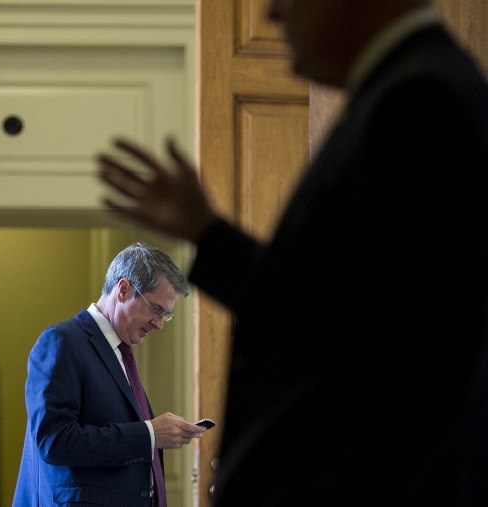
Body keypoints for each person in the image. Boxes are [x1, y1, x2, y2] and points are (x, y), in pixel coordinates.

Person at [97, 0, 488, 505]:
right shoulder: (405, 92)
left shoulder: (419, 103)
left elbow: (413, 362)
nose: (274, 15)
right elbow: (327, 306)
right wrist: (208, 233)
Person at [13, 242, 204, 506]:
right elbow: (54, 441)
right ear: (123, 289)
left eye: (166, 315)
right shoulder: (61, 342)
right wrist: (149, 435)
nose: (159, 324)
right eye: (156, 310)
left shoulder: (120, 353)